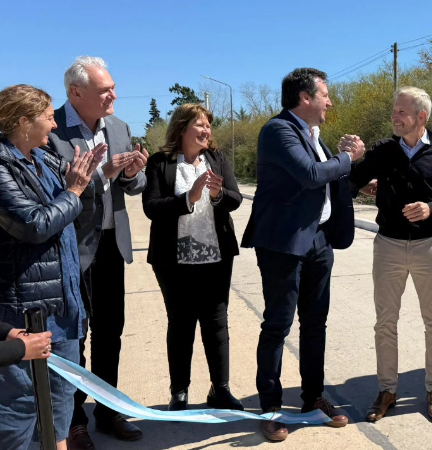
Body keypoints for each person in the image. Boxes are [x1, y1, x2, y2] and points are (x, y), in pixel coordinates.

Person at [241, 68, 365, 442]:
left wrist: (354, 178)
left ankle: (313, 398)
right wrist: (348, 157)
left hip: (318, 242)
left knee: (315, 324)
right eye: (325, 95)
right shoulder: (278, 130)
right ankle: (271, 408)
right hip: (283, 244)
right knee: (278, 325)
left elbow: (325, 181)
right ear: (305, 98)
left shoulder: (314, 135)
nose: (330, 101)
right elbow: (311, 174)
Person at [48, 56, 148, 448]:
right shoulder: (52, 129)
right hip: (72, 248)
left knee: (111, 333)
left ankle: (108, 412)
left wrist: (128, 173)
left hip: (110, 244)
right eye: (105, 90)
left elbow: (134, 186)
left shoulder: (119, 127)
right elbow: (53, 190)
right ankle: (74, 422)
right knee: (75, 337)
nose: (114, 95)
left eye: (113, 87)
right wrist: (102, 175)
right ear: (76, 93)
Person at [347, 87, 432, 423]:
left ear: (421, 116)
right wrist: (354, 160)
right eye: (394, 110)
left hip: (430, 247)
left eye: (402, 112)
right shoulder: (383, 150)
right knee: (385, 323)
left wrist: (431, 208)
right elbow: (352, 181)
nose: (395, 117)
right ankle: (387, 390)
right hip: (389, 246)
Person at [0, 84, 101, 450]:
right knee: (20, 412)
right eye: (47, 117)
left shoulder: (42, 159)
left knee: (60, 403)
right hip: (23, 319)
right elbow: (34, 224)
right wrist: (73, 192)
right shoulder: (1, 166)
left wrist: (97, 174)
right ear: (24, 122)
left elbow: (82, 196)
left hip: (63, 309)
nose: (55, 126)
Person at [142, 104, 243, 412]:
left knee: (216, 324)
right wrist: (189, 198)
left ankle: (220, 389)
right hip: (174, 261)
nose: (206, 131)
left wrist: (217, 195)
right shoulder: (160, 163)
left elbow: (235, 199)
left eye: (208, 126)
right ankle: (179, 392)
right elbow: (151, 207)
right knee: (181, 325)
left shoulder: (217, 159)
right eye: (199, 125)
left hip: (215, 257)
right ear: (182, 128)